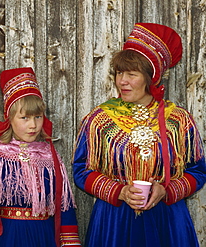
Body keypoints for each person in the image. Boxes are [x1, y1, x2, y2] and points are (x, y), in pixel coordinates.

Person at [72, 23, 206, 247]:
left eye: (131, 74)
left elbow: (198, 171)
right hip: (114, 222)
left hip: (167, 221)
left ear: (151, 78)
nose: (122, 81)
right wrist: (120, 191)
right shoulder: (100, 120)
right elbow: (81, 170)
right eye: (119, 73)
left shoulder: (178, 121)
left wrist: (166, 190)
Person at [0, 67, 81, 246]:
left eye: (38, 117)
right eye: (24, 118)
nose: (33, 125)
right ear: (9, 118)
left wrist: (70, 242)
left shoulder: (50, 158)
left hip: (45, 237)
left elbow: (64, 206)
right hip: (9, 237)